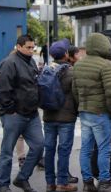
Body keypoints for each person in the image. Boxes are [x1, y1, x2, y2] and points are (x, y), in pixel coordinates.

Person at [72, 33, 111, 192]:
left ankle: (87, 183)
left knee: (86, 148)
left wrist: (81, 106)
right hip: (101, 113)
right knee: (104, 148)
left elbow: (74, 90)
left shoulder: (78, 65)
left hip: (84, 112)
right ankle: (104, 182)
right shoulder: (106, 65)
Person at [0, 35, 44, 192]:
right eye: (28, 47)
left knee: (38, 146)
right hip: (14, 114)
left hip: (31, 114)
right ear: (18, 46)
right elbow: (3, 90)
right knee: (7, 152)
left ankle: (22, 178)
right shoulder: (9, 63)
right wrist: (11, 110)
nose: (31, 51)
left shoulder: (31, 61)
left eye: (33, 48)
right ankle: (3, 185)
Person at [43, 40, 78, 192]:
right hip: (66, 117)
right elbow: (76, 94)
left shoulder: (45, 70)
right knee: (63, 150)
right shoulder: (71, 71)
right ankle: (62, 182)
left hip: (49, 116)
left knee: (49, 149)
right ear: (66, 54)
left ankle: (50, 182)